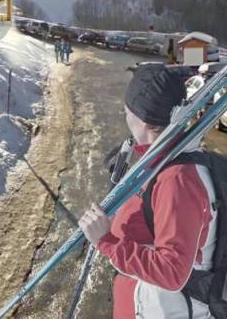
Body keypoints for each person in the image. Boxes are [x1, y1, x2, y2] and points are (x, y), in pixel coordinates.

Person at [78, 64, 217, 319]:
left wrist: (106, 241)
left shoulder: (177, 180)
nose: (124, 115)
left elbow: (172, 272)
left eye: (127, 110)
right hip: (141, 302)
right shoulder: (160, 160)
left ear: (143, 121)